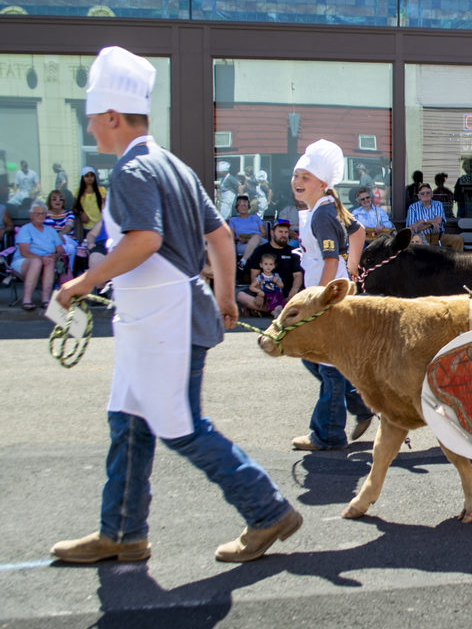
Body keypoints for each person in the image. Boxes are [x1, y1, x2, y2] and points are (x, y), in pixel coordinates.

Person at [51, 46, 301, 564]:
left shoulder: (132, 171)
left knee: (181, 426)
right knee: (128, 420)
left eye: (93, 118)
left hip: (160, 317)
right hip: (163, 313)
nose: (91, 127)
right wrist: (227, 296)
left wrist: (81, 282)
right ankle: (121, 531)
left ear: (114, 116)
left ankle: (267, 509)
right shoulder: (175, 167)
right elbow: (222, 236)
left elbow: (143, 239)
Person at [289, 138, 374, 450]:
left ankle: (327, 434)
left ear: (321, 184)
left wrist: (318, 300)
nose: (297, 181)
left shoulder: (323, 215)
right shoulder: (325, 209)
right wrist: (351, 267)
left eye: (305, 177)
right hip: (332, 294)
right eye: (297, 175)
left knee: (327, 367)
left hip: (328, 300)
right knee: (319, 363)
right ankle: (363, 406)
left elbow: (327, 260)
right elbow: (358, 232)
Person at [236, 219, 303, 315]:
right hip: (265, 292)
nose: (283, 235)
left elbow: (298, 275)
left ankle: (269, 310)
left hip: (286, 292)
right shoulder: (260, 250)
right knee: (241, 296)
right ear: (272, 233)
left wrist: (293, 291)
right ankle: (280, 311)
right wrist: (259, 293)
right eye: (280, 232)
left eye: (286, 232)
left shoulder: (294, 252)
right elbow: (255, 275)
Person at [13, 200, 64, 310]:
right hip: (24, 261)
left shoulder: (51, 231)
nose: (41, 216)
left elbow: (60, 250)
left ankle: (45, 299)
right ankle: (26, 299)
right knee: (37, 262)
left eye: (43, 213)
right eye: (38, 213)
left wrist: (54, 256)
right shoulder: (25, 229)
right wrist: (41, 258)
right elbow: (24, 252)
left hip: (46, 261)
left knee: (49, 261)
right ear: (31, 215)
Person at [406, 183, 464, 250]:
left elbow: (438, 220)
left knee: (458, 239)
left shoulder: (438, 204)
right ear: (419, 196)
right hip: (421, 237)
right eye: (422, 193)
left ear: (432, 194)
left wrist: (422, 221)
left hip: (438, 236)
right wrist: (431, 224)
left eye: (428, 192)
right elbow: (413, 228)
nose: (425, 195)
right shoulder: (413, 207)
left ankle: (456, 260)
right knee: (416, 242)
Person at [228, 194, 264, 270]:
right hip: (242, 243)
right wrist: (239, 239)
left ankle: (243, 261)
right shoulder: (233, 220)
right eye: (240, 205)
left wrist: (253, 237)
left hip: (259, 241)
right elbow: (231, 237)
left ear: (248, 207)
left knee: (257, 236)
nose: (243, 207)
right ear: (237, 208)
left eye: (245, 205)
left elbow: (264, 234)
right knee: (255, 249)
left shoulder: (255, 218)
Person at [73, 166, 106, 234]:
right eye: (87, 176)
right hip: (86, 226)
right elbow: (74, 207)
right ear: (83, 178)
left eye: (91, 176)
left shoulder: (102, 190)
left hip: (100, 225)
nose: (89, 178)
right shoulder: (78, 192)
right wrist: (81, 213)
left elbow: (107, 206)